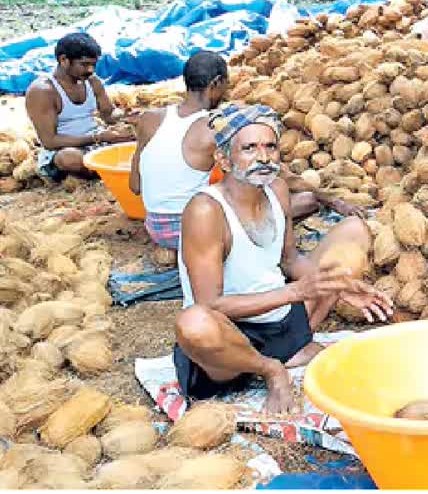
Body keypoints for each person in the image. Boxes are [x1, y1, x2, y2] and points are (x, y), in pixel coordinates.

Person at [172, 104, 394, 414]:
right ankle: (269, 368)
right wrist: (296, 292)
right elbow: (211, 305)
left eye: (270, 146)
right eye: (249, 148)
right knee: (194, 323)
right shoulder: (206, 211)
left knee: (354, 230)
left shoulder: (276, 189)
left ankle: (292, 349)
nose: (263, 157)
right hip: (231, 341)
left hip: (281, 318)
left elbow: (289, 260)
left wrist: (338, 285)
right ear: (223, 159)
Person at [131, 52, 363, 253]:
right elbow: (280, 175)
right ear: (216, 83)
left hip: (155, 228)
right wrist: (330, 199)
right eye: (226, 85)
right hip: (197, 231)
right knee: (306, 201)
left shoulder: (149, 119)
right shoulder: (214, 127)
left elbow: (135, 186)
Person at [25, 33, 134, 181]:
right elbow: (50, 141)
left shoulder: (92, 81)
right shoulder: (43, 91)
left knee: (142, 136)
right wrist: (97, 138)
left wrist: (126, 116)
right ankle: (108, 169)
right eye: (84, 64)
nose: (90, 70)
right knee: (69, 159)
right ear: (64, 60)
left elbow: (108, 115)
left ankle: (103, 169)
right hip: (64, 150)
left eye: (93, 65)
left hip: (97, 141)